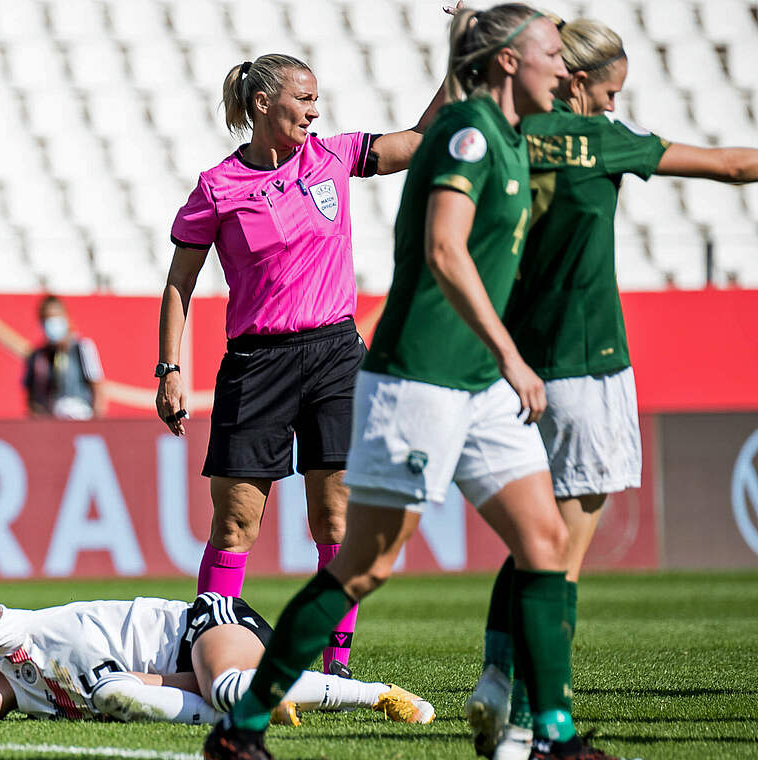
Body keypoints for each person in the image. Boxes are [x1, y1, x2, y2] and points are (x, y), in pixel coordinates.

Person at [203, 6, 631, 760]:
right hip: (423, 382)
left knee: (543, 541)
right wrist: (511, 351)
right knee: (364, 563)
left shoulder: (511, 133)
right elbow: (442, 249)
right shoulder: (467, 137)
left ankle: (552, 735)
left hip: (479, 382)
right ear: (505, 63)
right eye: (549, 54)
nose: (565, 69)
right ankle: (242, 727)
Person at [469, 17, 758, 760]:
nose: (611, 105)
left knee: (535, 534)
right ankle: (535, 727)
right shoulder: (600, 140)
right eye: (607, 91)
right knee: (559, 558)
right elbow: (730, 167)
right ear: (575, 81)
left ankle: (499, 679)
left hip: (517, 366)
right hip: (587, 364)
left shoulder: (507, 136)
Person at [157, 51, 446, 677]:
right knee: (236, 521)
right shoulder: (217, 187)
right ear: (264, 104)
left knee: (335, 514)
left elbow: (422, 142)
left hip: (335, 355)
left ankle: (334, 662)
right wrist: (169, 367)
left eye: (317, 101)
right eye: (305, 100)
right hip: (256, 364)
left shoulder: (334, 158)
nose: (316, 112)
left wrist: (461, 63)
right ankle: (210, 651)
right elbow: (180, 280)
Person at [0, 593, 433, 725]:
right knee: (224, 695)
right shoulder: (44, 705)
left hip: (206, 625)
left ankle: (378, 694)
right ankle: (253, 703)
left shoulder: (14, 635)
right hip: (186, 671)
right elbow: (148, 683)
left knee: (230, 689)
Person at [23, 295, 107, 419]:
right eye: (47, 319)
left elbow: (98, 388)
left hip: (82, 419)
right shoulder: (37, 357)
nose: (52, 324)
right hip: (52, 423)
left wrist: (97, 422)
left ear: (66, 317)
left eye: (55, 317)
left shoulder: (83, 348)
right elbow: (32, 398)